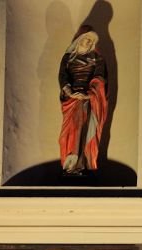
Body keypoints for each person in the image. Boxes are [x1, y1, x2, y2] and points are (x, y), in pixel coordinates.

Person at [58, 27, 108, 175]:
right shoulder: (68, 58)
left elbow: (99, 77)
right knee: (70, 129)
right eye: (86, 38)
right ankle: (69, 162)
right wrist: (70, 93)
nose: (88, 42)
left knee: (84, 128)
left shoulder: (96, 58)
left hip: (88, 97)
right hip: (71, 98)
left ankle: (81, 163)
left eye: (91, 41)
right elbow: (63, 77)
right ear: (79, 39)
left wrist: (89, 95)